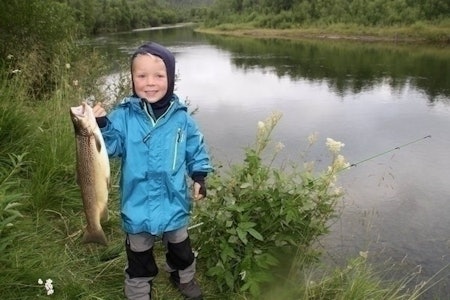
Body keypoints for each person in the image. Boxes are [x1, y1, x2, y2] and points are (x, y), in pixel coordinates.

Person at [93, 42, 212, 300]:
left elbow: (196, 148)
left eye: (159, 75)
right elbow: (110, 147)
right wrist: (101, 125)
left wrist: (199, 177)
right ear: (132, 79)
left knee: (181, 249)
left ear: (170, 78)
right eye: (141, 75)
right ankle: (138, 292)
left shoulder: (182, 118)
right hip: (137, 204)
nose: (150, 82)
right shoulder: (123, 116)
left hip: (174, 202)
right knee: (139, 256)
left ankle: (183, 277)